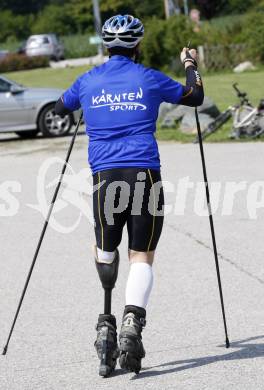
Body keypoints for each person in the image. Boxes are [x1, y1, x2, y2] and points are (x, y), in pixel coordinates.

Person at [55, 14, 204, 376]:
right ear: (137, 45)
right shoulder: (148, 77)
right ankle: (131, 324)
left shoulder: (88, 80)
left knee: (107, 250)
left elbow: (61, 108)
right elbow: (194, 95)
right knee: (141, 255)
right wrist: (190, 64)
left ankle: (105, 325)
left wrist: (91, 105)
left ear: (106, 46)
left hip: (105, 180)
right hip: (144, 177)